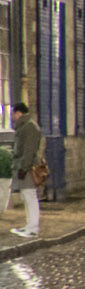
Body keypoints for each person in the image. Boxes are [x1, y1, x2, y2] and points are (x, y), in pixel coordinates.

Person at [2, 102, 44, 238]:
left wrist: (24, 167)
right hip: (23, 166)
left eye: (13, 113)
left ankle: (33, 228)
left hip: (28, 168)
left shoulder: (30, 127)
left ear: (18, 113)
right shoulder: (25, 126)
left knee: (30, 196)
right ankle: (29, 225)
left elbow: (29, 150)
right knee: (27, 196)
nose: (12, 117)